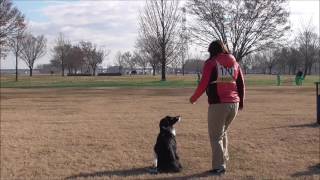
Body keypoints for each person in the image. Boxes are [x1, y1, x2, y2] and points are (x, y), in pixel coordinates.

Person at [189, 40, 245, 175]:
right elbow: (241, 83)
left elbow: (203, 83)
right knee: (223, 132)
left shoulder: (211, 63)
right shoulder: (235, 62)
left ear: (211, 51)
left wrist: (194, 98)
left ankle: (219, 167)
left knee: (215, 137)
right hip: (234, 104)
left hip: (219, 104)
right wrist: (241, 101)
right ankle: (224, 160)